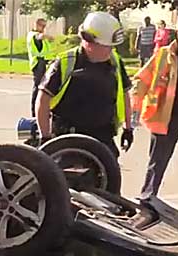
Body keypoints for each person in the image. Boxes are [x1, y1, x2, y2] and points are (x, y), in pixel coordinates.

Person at [36, 11, 134, 158]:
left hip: (103, 137)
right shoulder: (65, 62)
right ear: (89, 42)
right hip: (68, 138)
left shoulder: (115, 62)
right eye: (106, 46)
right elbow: (42, 100)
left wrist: (128, 127)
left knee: (108, 177)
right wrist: (46, 137)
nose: (111, 50)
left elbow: (125, 95)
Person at [133, 10, 178, 209]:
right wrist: (134, 105)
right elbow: (142, 79)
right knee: (157, 162)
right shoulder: (164, 54)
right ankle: (147, 199)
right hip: (165, 117)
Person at [27, 18, 54, 117]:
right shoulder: (32, 34)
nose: (43, 28)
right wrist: (48, 36)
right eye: (42, 26)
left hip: (44, 62)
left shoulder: (40, 35)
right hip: (37, 63)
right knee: (38, 88)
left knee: (46, 87)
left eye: (44, 26)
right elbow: (39, 37)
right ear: (36, 25)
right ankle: (35, 112)